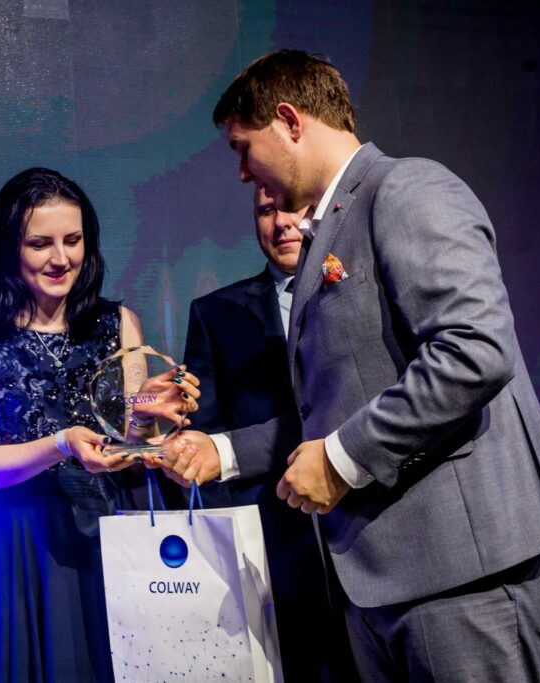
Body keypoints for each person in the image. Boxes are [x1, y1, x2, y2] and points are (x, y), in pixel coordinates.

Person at [158, 50, 540, 680]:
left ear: (290, 121)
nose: (244, 172)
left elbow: (475, 349)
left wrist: (340, 460)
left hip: (461, 570)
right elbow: (337, 403)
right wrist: (222, 452)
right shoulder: (332, 228)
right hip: (384, 581)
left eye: (243, 148)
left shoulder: (406, 189)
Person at [0, 167, 198, 682]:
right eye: (40, 244)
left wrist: (156, 415)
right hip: (14, 547)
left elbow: (132, 442)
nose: (61, 258)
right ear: (9, 248)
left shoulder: (118, 323)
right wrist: (61, 443)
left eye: (73, 241)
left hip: (106, 536)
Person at [182, 185, 350, 681]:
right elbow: (207, 444)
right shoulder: (216, 314)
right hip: (275, 559)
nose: (281, 223)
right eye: (265, 211)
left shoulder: (362, 292)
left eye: (295, 209)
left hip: (369, 539)